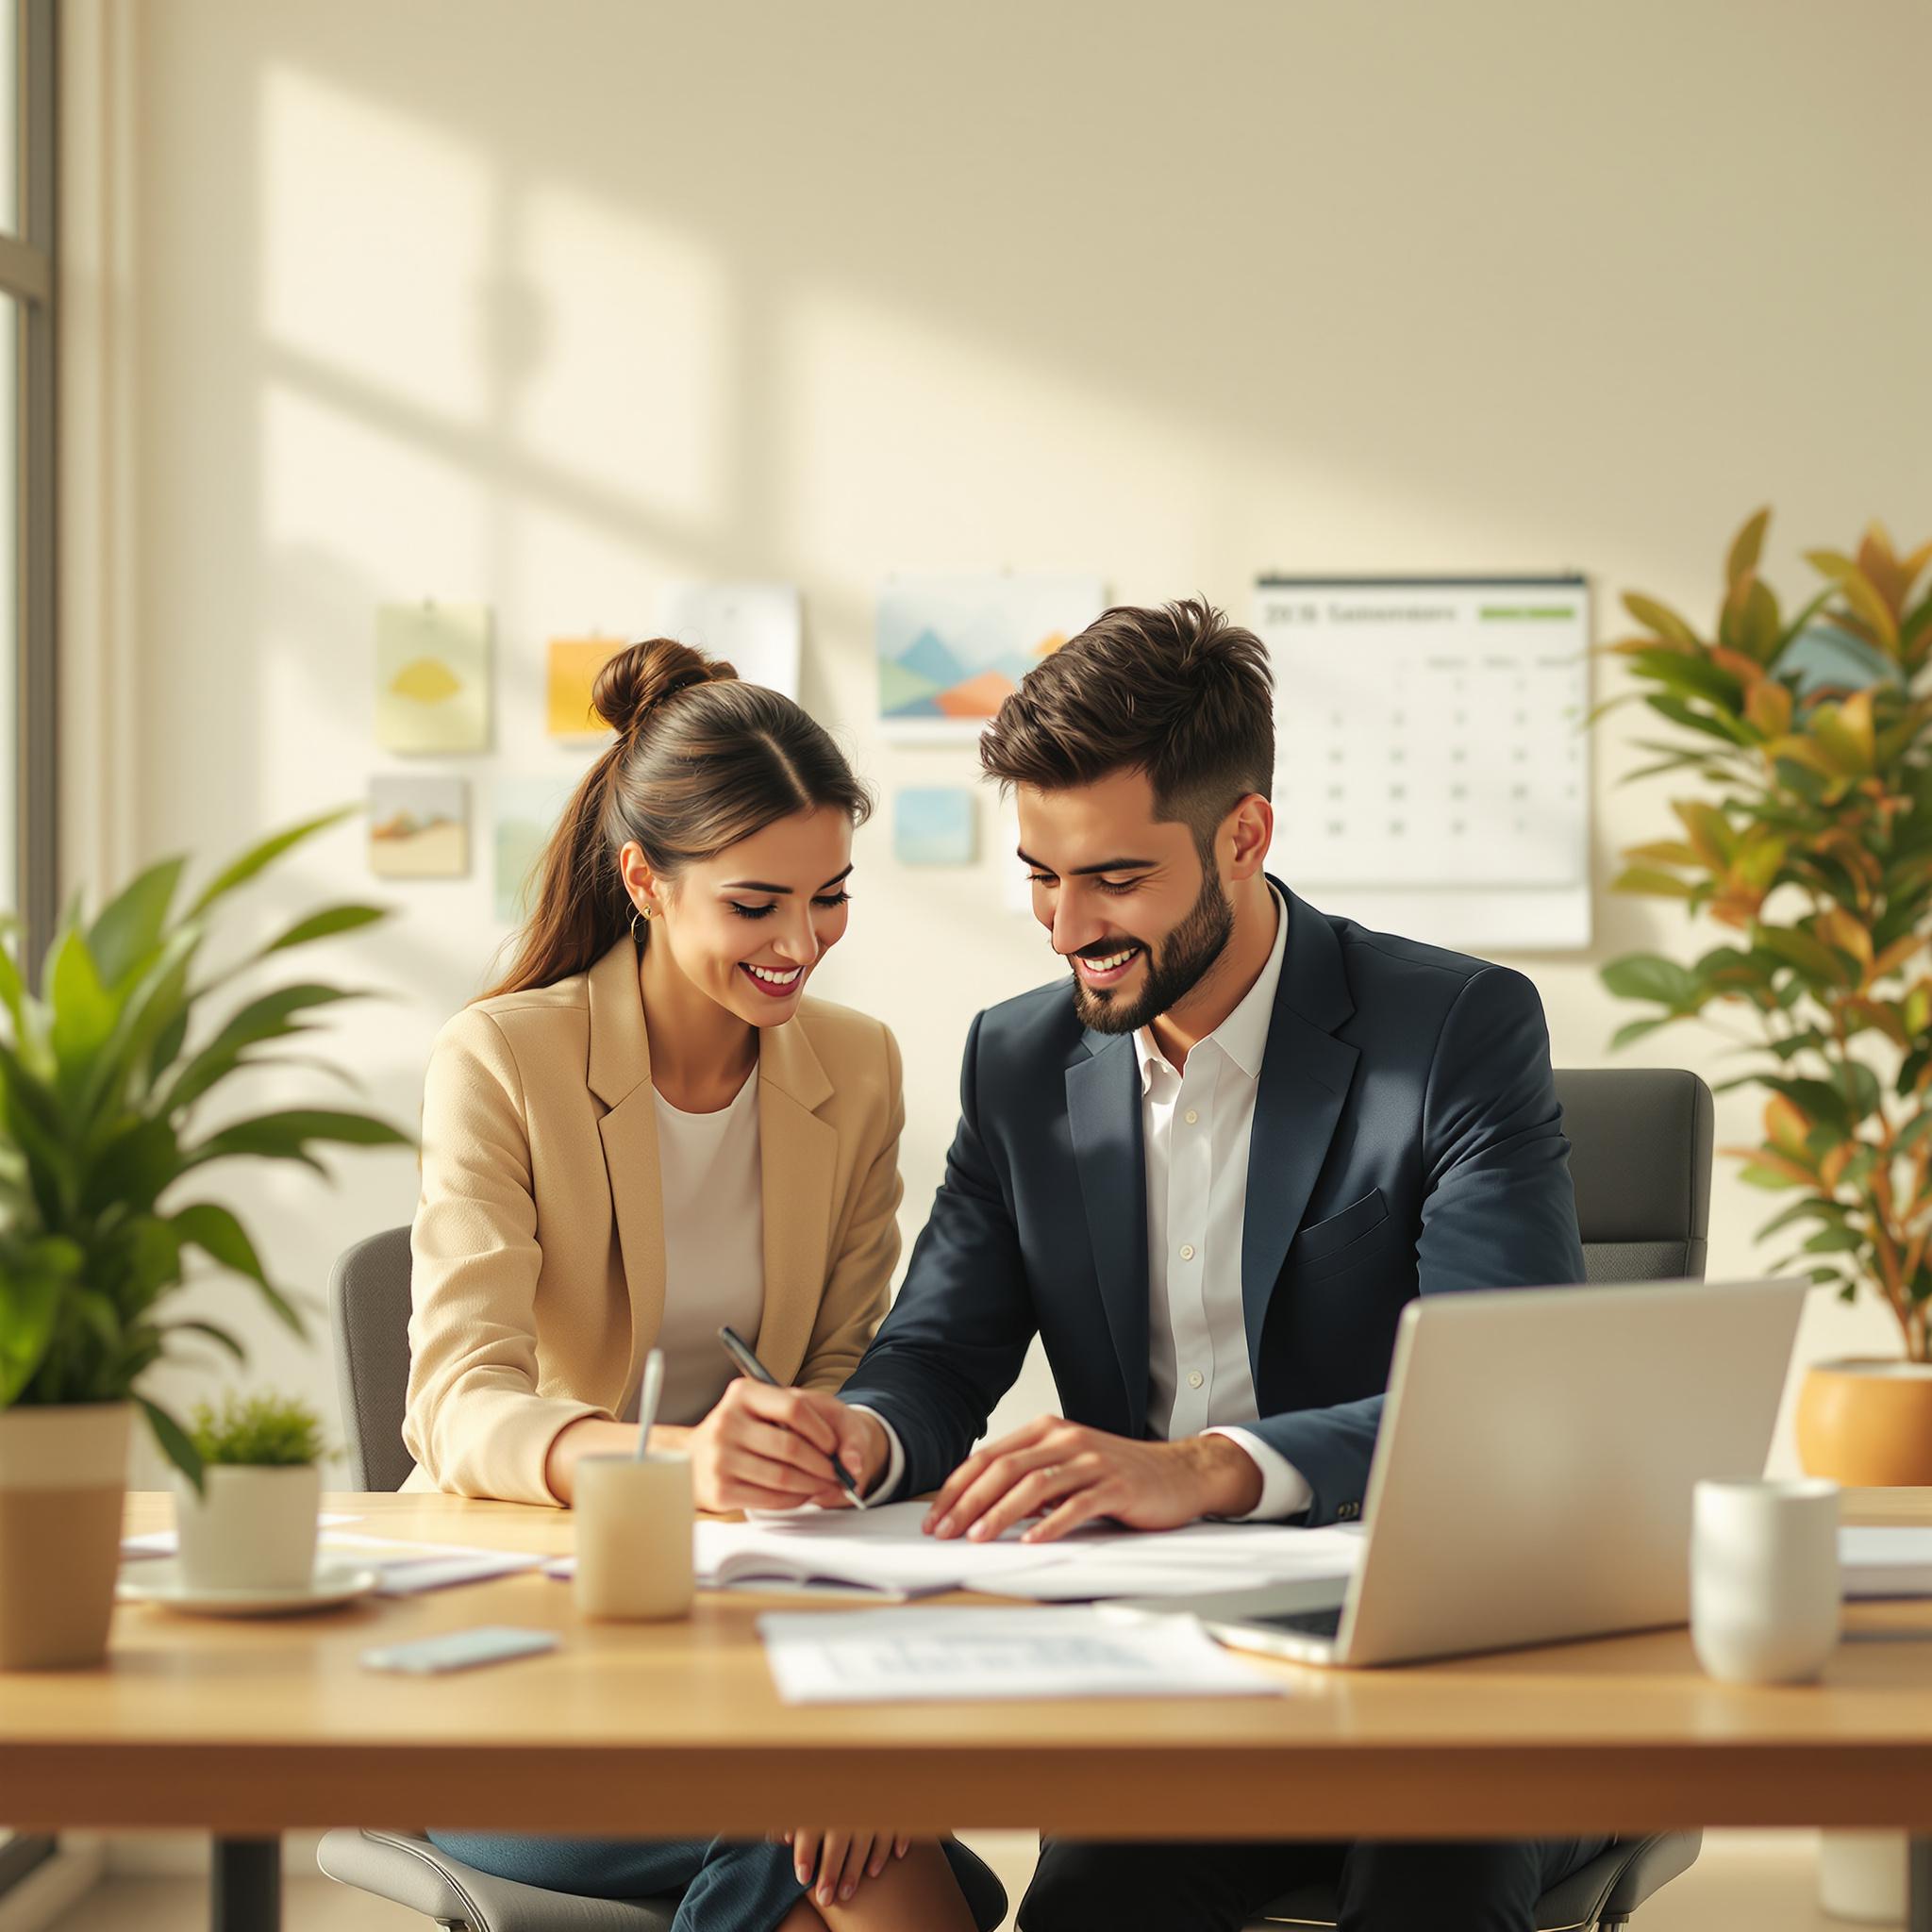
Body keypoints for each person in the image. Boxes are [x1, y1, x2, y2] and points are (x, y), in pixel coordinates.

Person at [711, 598, 1610, 1932]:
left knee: (1430, 1901)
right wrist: (859, 1436)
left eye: (1114, 879)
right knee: (1086, 1913)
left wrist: (1201, 1469)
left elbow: (1504, 1392)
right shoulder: (1019, 1064)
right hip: (1180, 1673)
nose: (1065, 926)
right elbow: (941, 1352)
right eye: (1039, 874)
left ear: (1242, 837)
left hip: (1447, 1653)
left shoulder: (1454, 1032)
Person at [403, 638, 1002, 1932]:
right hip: (522, 1658)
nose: (802, 943)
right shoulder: (504, 1059)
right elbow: (455, 1402)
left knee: (839, 1831)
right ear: (644, 882)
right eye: (756, 904)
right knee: (838, 1850)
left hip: (755, 1641)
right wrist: (669, 1463)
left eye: (830, 896)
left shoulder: (856, 1067)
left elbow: (853, 1367)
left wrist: (838, 1440)